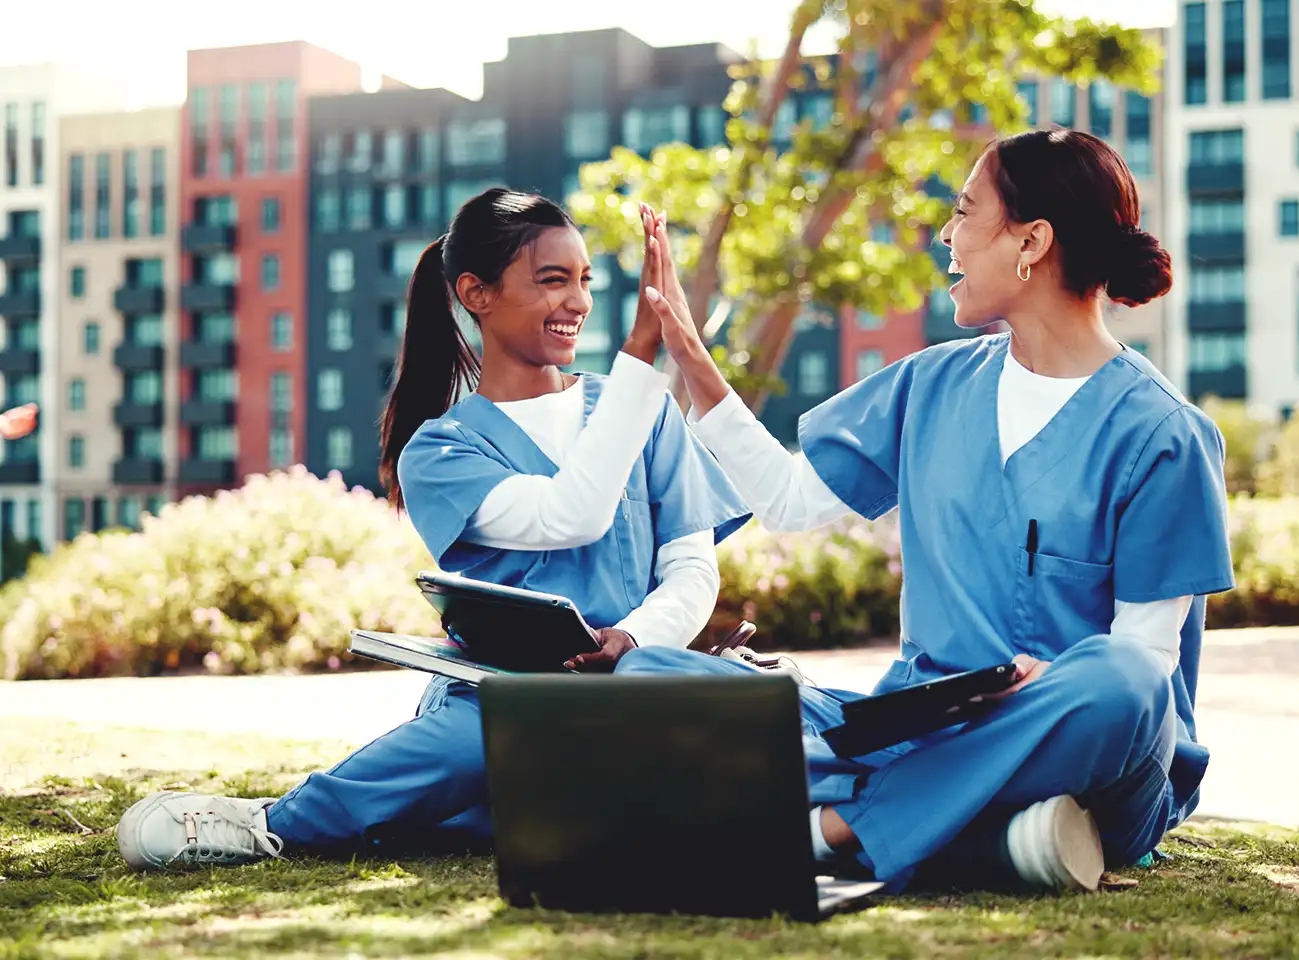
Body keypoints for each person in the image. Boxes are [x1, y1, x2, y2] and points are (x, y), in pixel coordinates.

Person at [617, 128, 1234, 894]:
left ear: (1031, 241)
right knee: (647, 673)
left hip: (1088, 755)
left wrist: (1047, 681)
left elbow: (1144, 657)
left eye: (966, 213)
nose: (948, 235)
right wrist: (690, 354)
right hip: (919, 728)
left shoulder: (1164, 434)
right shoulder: (929, 386)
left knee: (1119, 682)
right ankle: (998, 841)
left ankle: (832, 830)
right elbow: (788, 498)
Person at [115, 188, 750, 870]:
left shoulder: (643, 415)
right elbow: (571, 513)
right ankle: (274, 824)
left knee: (756, 721)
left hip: (633, 688)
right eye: (552, 280)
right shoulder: (441, 452)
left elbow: (692, 570)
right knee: (489, 743)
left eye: (585, 281)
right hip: (498, 707)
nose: (579, 302)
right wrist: (641, 357)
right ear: (477, 293)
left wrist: (632, 640)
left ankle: (457, 814)